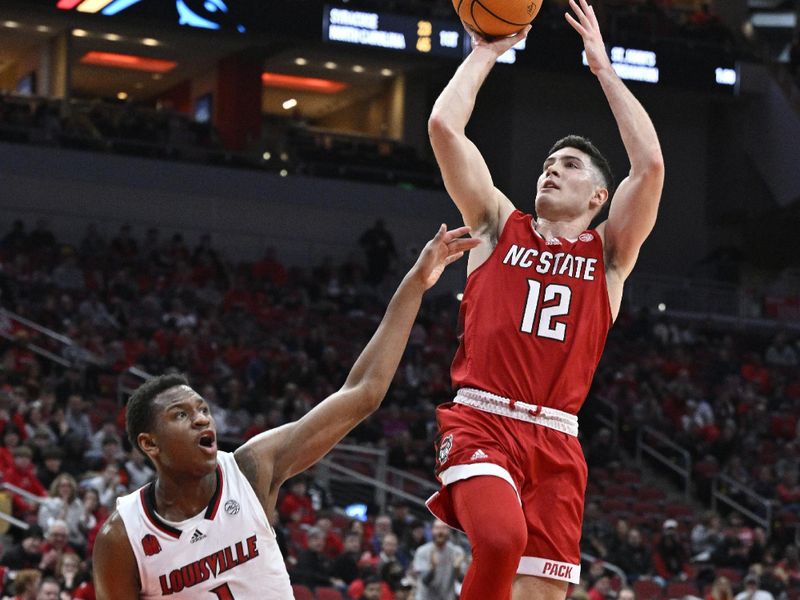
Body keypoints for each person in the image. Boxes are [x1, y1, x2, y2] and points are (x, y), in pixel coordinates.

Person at [91, 224, 479, 599]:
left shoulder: (250, 470)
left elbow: (364, 393)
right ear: (150, 444)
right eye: (180, 415)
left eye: (202, 408)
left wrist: (415, 283)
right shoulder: (123, 538)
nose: (201, 418)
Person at [425, 0, 665, 597]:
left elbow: (651, 164)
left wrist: (604, 70)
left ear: (599, 196)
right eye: (548, 163)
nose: (551, 170)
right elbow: (444, 128)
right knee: (501, 539)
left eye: (570, 165)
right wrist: (485, 53)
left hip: (559, 441)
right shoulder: (496, 224)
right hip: (484, 420)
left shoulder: (608, 255)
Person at [411, 519, 467, 600]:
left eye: (444, 528)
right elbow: (425, 581)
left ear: (449, 531)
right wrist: (432, 568)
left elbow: (462, 581)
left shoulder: (457, 552)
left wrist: (457, 569)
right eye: (437, 528)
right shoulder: (422, 551)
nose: (440, 532)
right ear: (432, 530)